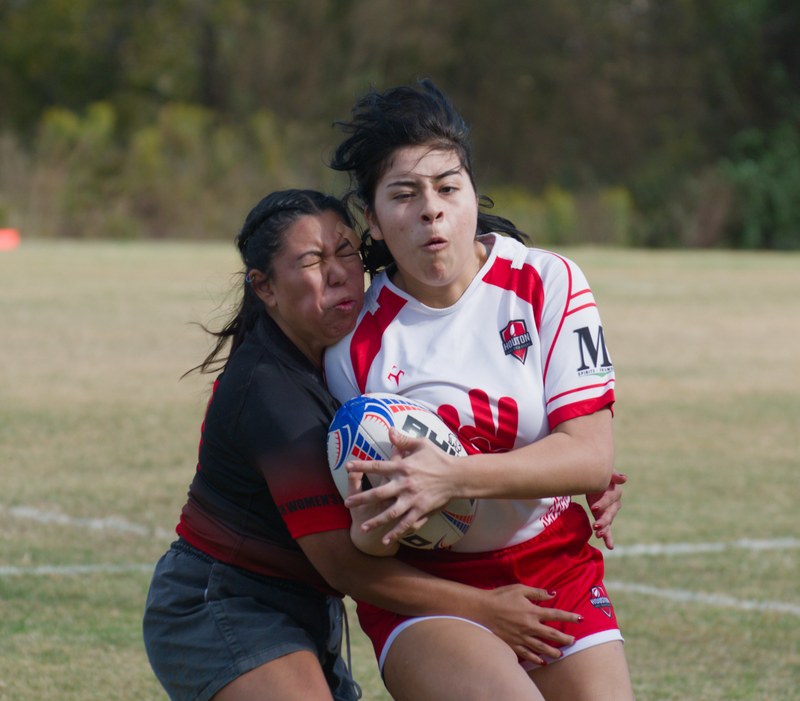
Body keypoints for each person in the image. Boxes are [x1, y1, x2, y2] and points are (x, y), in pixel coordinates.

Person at [143, 189, 618, 701]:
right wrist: (486, 609)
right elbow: (345, 563)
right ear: (265, 288)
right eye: (311, 261)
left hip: (304, 603)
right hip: (225, 599)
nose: (338, 272)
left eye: (346, 252)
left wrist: (563, 473)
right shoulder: (271, 393)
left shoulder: (338, 352)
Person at [324, 81, 635, 701]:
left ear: (472, 192)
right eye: (404, 194)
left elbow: (589, 456)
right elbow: (365, 539)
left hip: (551, 563)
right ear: (373, 222)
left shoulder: (548, 280)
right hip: (426, 586)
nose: (431, 210)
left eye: (447, 187)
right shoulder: (350, 343)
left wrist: (452, 478)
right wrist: (380, 515)